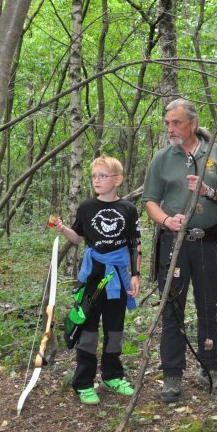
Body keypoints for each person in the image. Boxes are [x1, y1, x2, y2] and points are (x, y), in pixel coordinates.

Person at [142, 98, 217, 403]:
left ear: (193, 124)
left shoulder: (216, 154)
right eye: (167, 122)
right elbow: (150, 202)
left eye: (176, 122)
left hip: (207, 244)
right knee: (172, 309)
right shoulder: (162, 158)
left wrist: (208, 192)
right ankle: (172, 375)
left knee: (208, 307)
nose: (171, 128)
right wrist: (168, 220)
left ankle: (211, 368)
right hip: (173, 244)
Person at [50, 155, 141, 404]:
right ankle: (83, 382)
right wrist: (62, 229)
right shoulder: (87, 207)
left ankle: (112, 376)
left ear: (117, 180)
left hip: (118, 275)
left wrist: (135, 275)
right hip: (93, 275)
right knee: (88, 328)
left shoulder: (128, 209)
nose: (97, 180)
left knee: (115, 328)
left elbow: (135, 244)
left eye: (103, 176)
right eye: (94, 176)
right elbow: (78, 237)